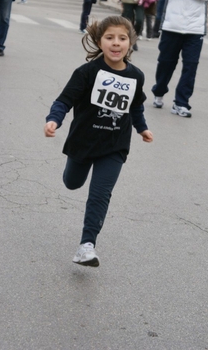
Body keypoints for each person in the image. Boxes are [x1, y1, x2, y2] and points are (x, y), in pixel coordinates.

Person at [44, 16, 153, 267]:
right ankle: (73, 175)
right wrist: (54, 119)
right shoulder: (87, 72)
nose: (116, 43)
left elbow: (136, 106)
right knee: (72, 183)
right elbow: (64, 100)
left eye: (122, 38)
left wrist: (142, 128)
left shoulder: (136, 76)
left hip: (114, 145)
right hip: (84, 141)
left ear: (130, 43)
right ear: (99, 41)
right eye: (110, 37)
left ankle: (87, 245)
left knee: (100, 194)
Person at [151, 0, 208, 117]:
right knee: (166, 63)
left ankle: (181, 103)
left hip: (194, 28)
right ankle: (159, 91)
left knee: (190, 66)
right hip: (172, 25)